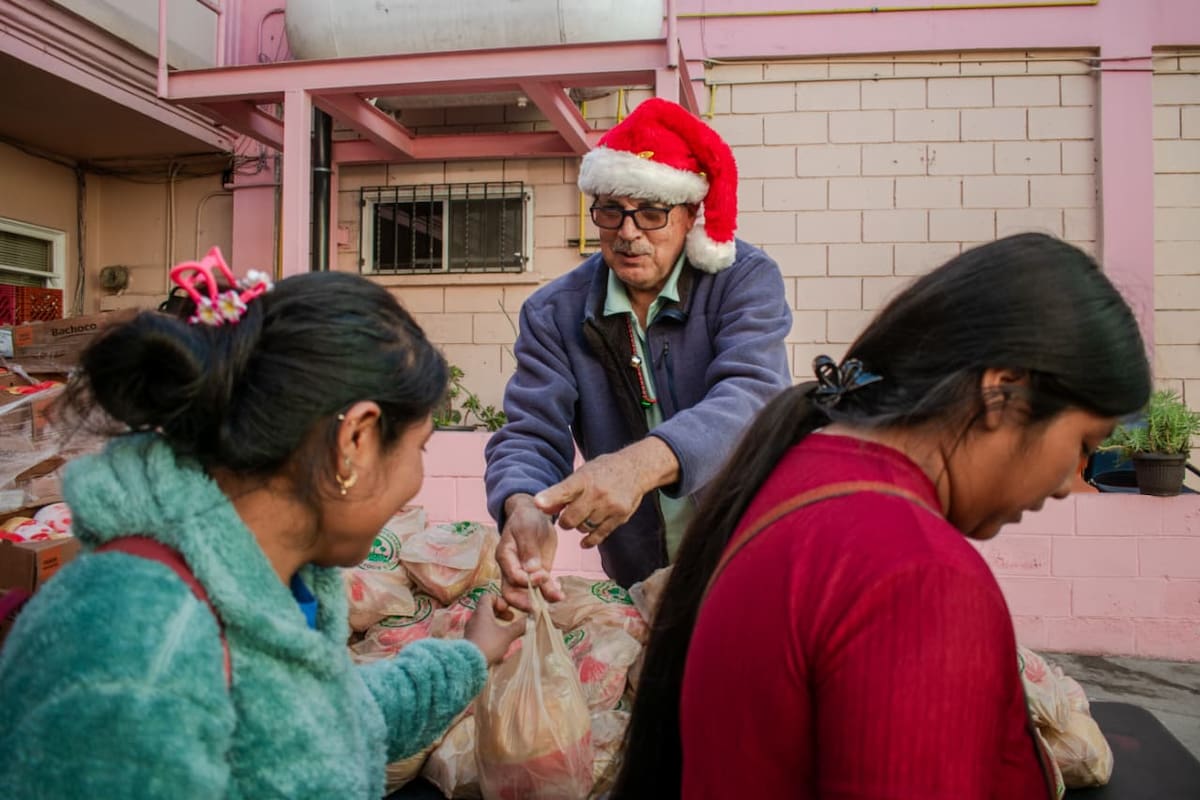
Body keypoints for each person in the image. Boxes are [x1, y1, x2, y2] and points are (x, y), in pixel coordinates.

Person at [612, 233, 1152, 799]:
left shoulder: (800, 473)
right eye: (1085, 443)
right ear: (1004, 394)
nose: (1074, 482)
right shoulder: (916, 576)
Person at [0, 249, 521, 798]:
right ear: (356, 442)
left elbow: (315, 722)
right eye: (420, 448)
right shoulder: (142, 655)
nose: (416, 479)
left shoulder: (265, 582)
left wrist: (472, 653)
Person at [484, 97, 793, 606]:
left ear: (691, 215)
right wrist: (523, 505)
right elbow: (530, 430)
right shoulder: (553, 312)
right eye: (611, 211)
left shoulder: (742, 279)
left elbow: (753, 397)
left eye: (651, 213)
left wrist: (637, 466)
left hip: (750, 550)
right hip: (642, 574)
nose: (627, 234)